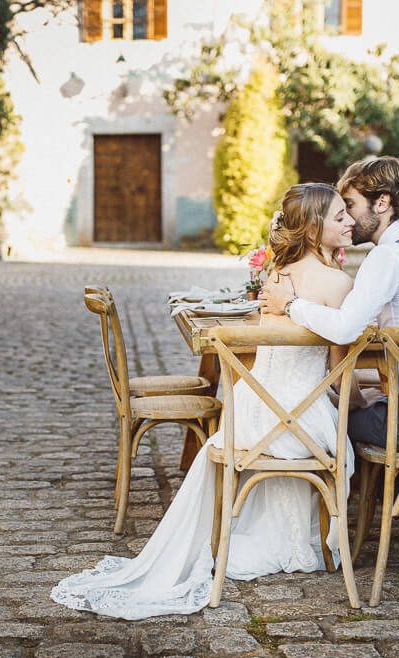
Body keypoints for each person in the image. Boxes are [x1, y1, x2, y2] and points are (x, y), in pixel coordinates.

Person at [51, 183, 358, 620]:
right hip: (300, 422)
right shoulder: (340, 283)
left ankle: (236, 534)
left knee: (301, 422)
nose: (349, 222)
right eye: (339, 215)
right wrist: (362, 398)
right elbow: (336, 367)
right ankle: (317, 537)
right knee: (345, 431)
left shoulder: (276, 276)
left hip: (251, 414)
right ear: (313, 229)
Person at [260, 156, 399, 587]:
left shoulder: (388, 258)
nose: (346, 216)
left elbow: (345, 327)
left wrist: (290, 305)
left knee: (337, 419)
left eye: (351, 203)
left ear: (382, 203)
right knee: (385, 411)